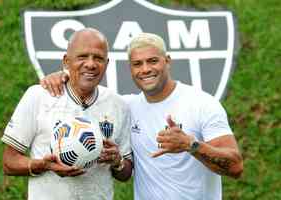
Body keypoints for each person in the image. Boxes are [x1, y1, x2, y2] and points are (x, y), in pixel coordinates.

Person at [41, 32, 243, 200]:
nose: (145, 69)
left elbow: (235, 167)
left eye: (152, 61)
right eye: (137, 64)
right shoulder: (126, 107)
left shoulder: (202, 104)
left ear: (167, 61)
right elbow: (89, 92)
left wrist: (191, 145)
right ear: (130, 69)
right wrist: (63, 75)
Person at [1, 28, 132, 200]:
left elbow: (126, 173)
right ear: (66, 61)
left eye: (98, 58)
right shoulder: (39, 96)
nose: (91, 64)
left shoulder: (118, 105)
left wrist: (117, 161)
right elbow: (9, 162)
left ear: (106, 64)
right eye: (82, 56)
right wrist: (43, 165)